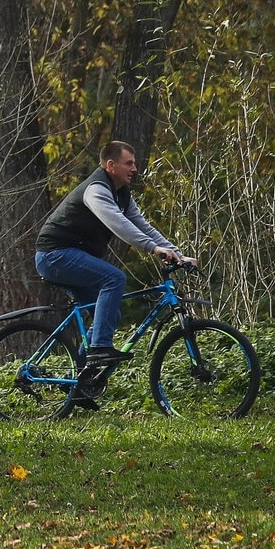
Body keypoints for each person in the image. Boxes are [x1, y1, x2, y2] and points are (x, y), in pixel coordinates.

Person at [34, 140, 194, 401]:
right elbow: (117, 223)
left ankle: (83, 385)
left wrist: (175, 251)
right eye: (128, 163)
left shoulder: (122, 193)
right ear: (111, 165)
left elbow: (141, 224)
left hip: (71, 256)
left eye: (135, 163)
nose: (135, 168)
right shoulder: (96, 190)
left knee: (108, 311)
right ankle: (99, 349)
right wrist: (153, 250)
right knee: (113, 277)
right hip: (54, 255)